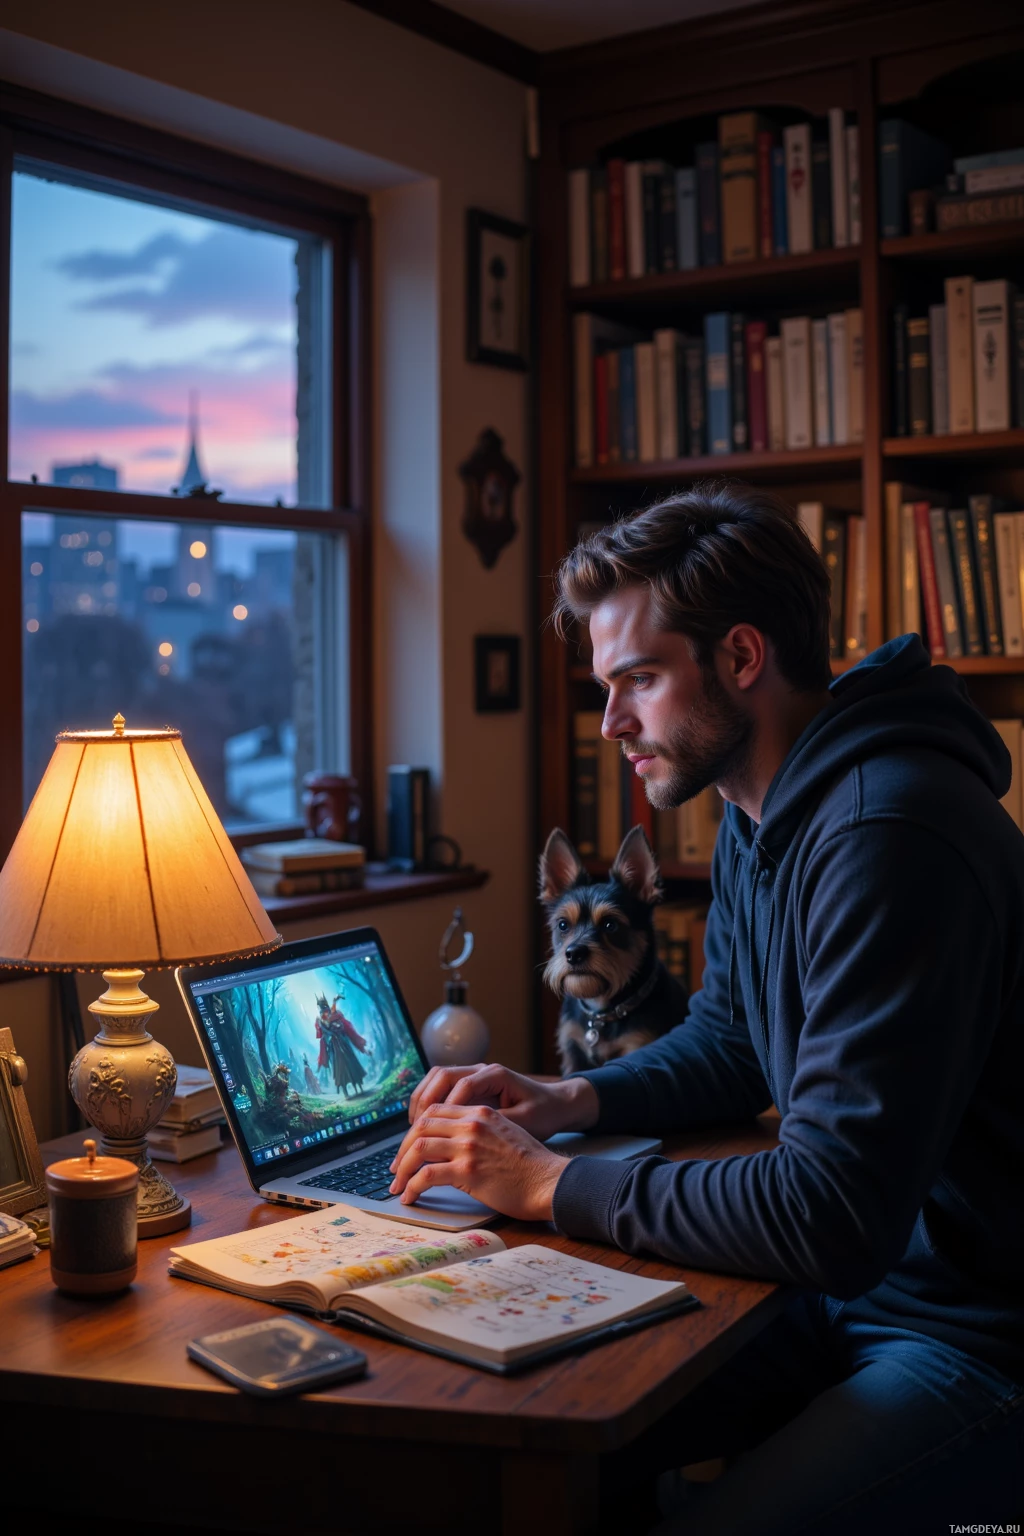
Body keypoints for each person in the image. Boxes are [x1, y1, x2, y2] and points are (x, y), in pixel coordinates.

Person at [389, 483, 1024, 1532]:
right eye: (605, 686)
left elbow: (830, 1214)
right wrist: (566, 1097)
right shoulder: (759, 808)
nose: (608, 724)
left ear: (739, 659)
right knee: (522, 1420)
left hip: (974, 1336)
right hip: (853, 1296)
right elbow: (732, 1043)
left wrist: (553, 1185)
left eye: (637, 679)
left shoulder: (888, 834)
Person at [315, 992, 370, 1098]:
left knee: (351, 1062)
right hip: (334, 1044)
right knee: (339, 1066)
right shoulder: (320, 1018)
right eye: (321, 1005)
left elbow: (335, 1015)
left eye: (324, 1004)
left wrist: (335, 1001)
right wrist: (331, 1030)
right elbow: (324, 1029)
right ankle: (346, 1092)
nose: (323, 1007)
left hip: (342, 1041)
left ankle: (358, 1086)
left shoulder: (330, 1012)